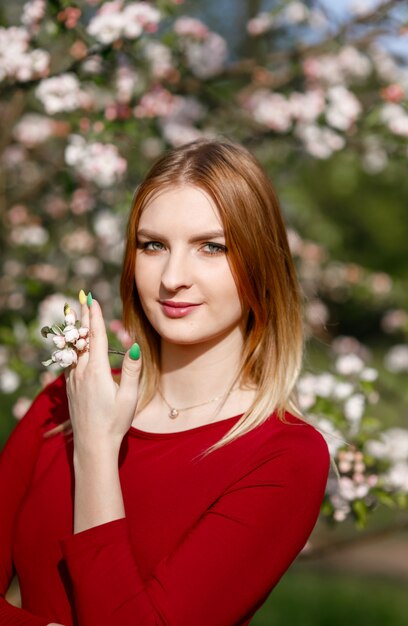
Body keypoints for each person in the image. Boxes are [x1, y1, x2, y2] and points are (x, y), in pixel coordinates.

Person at [0, 139, 330, 626]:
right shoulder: (66, 401)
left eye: (211, 247)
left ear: (260, 263)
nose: (173, 276)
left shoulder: (286, 456)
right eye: (153, 245)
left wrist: (95, 450)